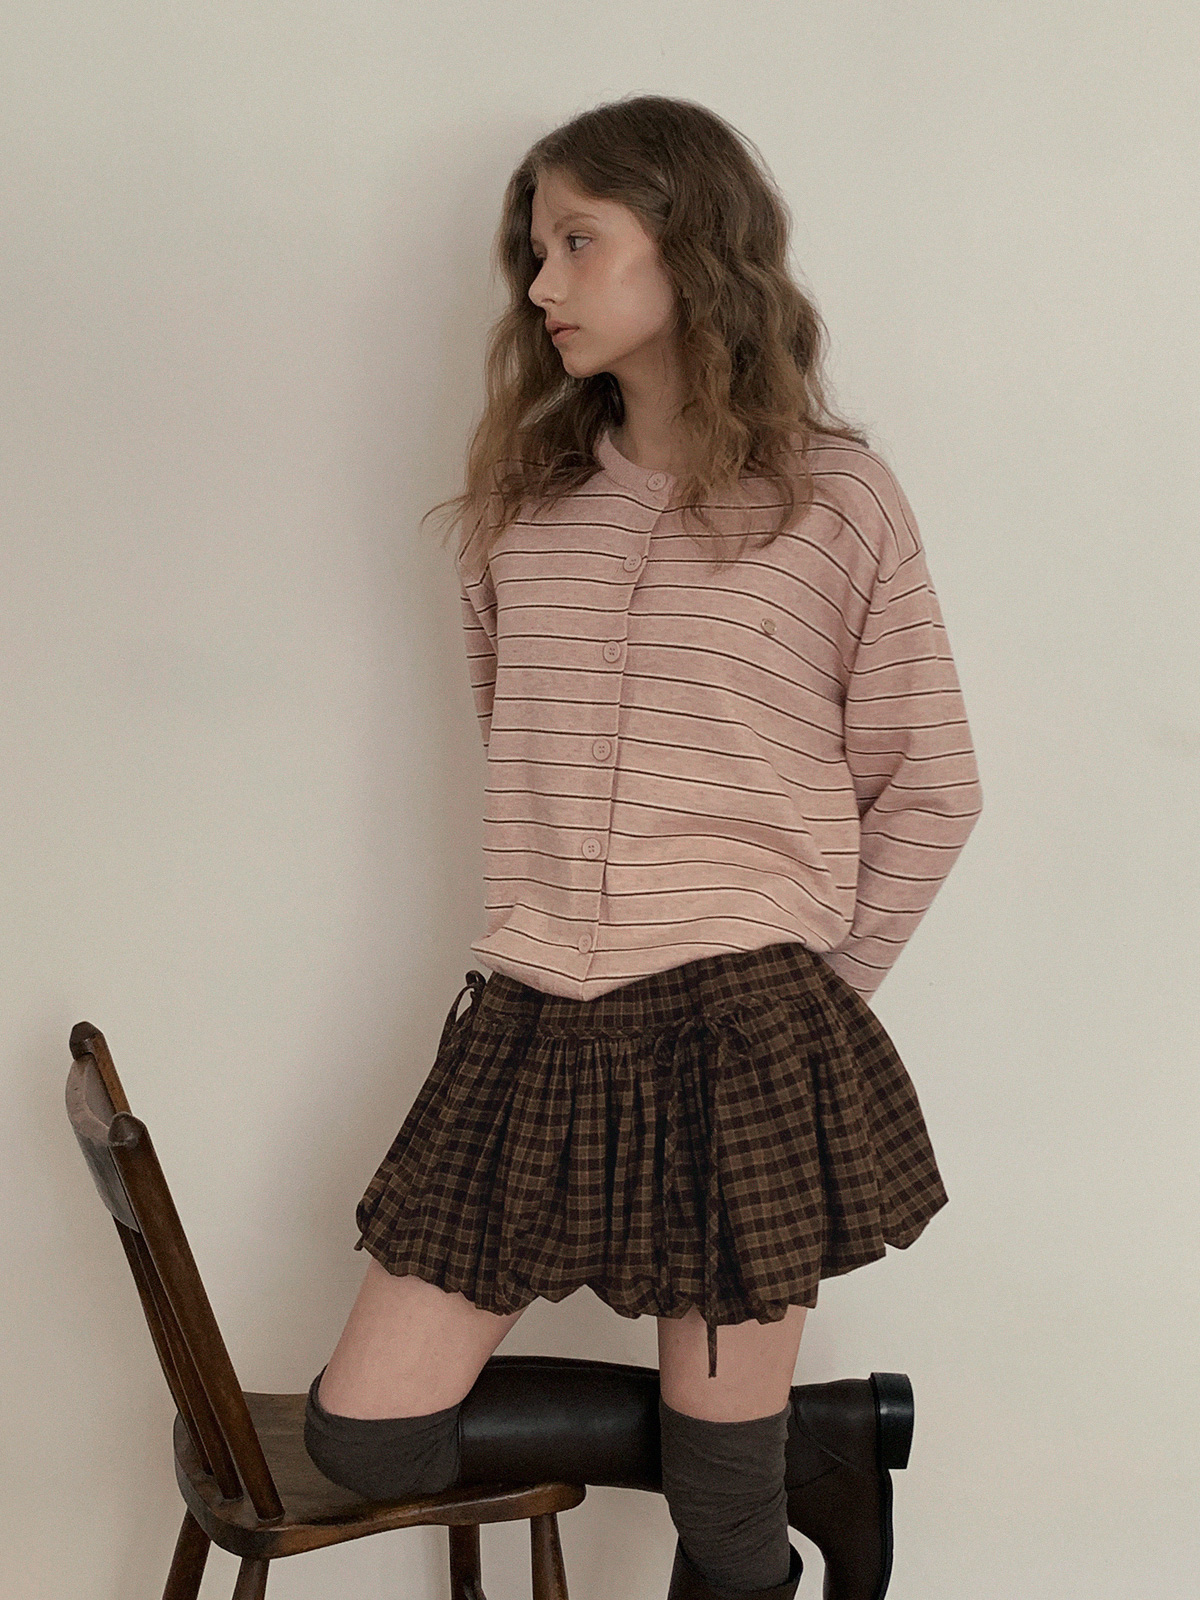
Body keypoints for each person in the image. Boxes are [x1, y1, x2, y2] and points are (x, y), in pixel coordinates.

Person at [304, 93, 982, 1600]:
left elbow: (931, 781)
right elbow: (519, 752)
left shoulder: (834, 500)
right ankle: (819, 1439)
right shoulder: (523, 510)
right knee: (368, 1435)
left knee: (726, 1532)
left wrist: (817, 1003)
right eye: (532, 250)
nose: (540, 283)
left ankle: (757, 1468)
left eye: (578, 241)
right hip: (536, 1012)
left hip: (746, 1024)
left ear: (690, 245)